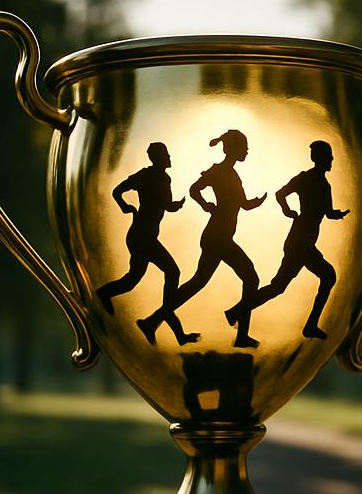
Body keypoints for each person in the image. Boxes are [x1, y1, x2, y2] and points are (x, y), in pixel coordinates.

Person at [137, 129, 266, 348]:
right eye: (244, 147)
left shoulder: (232, 174)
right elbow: (194, 189)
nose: (246, 151)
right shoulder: (219, 171)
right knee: (250, 278)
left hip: (221, 236)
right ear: (234, 149)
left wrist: (255, 202)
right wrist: (206, 205)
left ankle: (152, 320)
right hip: (217, 237)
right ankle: (240, 330)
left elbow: (242, 204)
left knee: (198, 282)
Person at [226, 140, 348, 340]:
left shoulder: (325, 185)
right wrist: (288, 210)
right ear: (320, 158)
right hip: (299, 242)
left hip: (306, 242)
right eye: (329, 156)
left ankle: (236, 311)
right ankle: (308, 325)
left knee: (280, 286)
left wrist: (337, 214)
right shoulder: (305, 179)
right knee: (324, 277)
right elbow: (280, 194)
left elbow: (327, 212)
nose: (332, 159)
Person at [96, 142, 198, 345]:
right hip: (142, 237)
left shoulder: (163, 178)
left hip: (145, 236)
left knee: (133, 279)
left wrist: (175, 205)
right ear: (157, 158)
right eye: (166, 154)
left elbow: (165, 206)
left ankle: (111, 296)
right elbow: (117, 191)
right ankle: (164, 326)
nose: (169, 158)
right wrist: (125, 206)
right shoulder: (145, 176)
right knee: (172, 272)